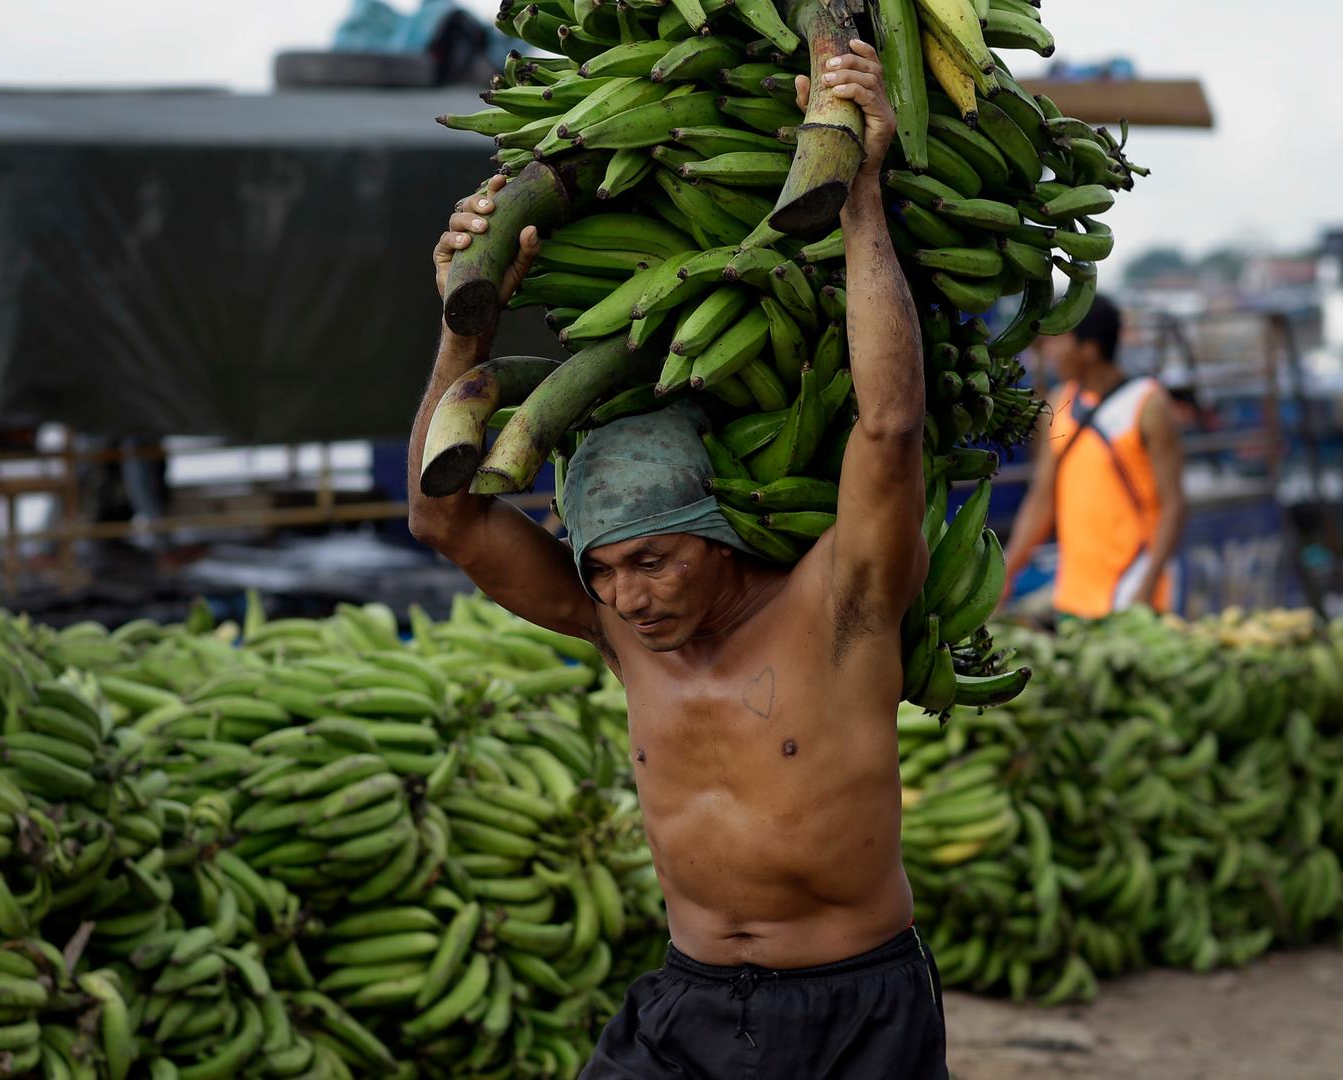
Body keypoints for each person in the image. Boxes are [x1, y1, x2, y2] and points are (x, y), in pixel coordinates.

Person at [408, 41, 947, 1079]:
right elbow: (446, 524)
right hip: (687, 1001)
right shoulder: (623, 627)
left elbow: (886, 428)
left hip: (853, 1009)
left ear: (716, 532)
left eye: (651, 562)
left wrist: (860, 199)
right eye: (602, 569)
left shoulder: (838, 609)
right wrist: (463, 319)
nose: (625, 597)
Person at [999, 295, 1186, 618]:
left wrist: (1148, 586)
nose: (1050, 351)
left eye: (1059, 339)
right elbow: (1041, 501)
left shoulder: (1147, 405)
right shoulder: (1059, 404)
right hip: (1074, 596)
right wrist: (1003, 577)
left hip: (1134, 590)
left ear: (1090, 348)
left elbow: (1173, 505)